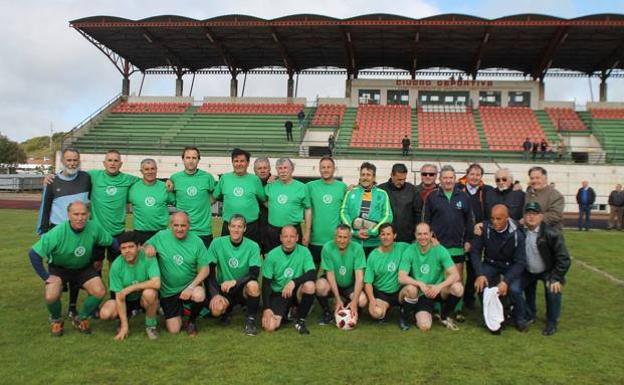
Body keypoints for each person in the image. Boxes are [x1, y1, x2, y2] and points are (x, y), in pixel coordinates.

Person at [28, 201, 112, 336]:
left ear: (88, 214)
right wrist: (47, 277)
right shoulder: (58, 232)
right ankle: (56, 320)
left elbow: (110, 241)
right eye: (76, 214)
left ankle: (81, 317)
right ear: (68, 215)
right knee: (51, 295)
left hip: (83, 268)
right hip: (59, 269)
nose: (80, 218)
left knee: (100, 291)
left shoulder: (94, 227)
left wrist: (126, 250)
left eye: (83, 214)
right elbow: (33, 253)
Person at [37, 148, 91, 318]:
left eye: (75, 160)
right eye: (69, 160)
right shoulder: (52, 181)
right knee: (59, 272)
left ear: (79, 161)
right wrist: (43, 231)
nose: (72, 163)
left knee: (76, 266)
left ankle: (72, 307)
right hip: (58, 233)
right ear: (63, 162)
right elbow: (44, 208)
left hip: (79, 231)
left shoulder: (86, 178)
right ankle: (55, 313)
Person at [143, 212, 210, 336]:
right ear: (170, 225)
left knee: (199, 294)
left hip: (188, 288)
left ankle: (191, 322)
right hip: (168, 291)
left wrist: (191, 287)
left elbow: (205, 269)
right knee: (174, 330)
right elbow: (146, 245)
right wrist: (148, 247)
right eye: (176, 225)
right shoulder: (161, 236)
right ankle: (173, 309)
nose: (179, 229)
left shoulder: (197, 241)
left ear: (189, 226)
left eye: (183, 226)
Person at [423, 165, 473, 320]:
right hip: (438, 245)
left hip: (457, 245)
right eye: (445, 177)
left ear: (455, 179)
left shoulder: (463, 197)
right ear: (440, 179)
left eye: (451, 177)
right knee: (438, 277)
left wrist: (468, 240)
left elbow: (470, 221)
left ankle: (457, 309)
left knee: (456, 277)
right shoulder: (432, 197)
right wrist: (431, 239)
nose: (448, 180)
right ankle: (437, 308)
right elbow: (426, 221)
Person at [470, 204, 528, 333]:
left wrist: (505, 281)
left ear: (507, 218)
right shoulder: (484, 228)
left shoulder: (518, 235)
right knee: (481, 285)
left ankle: (520, 318)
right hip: (491, 263)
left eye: (499, 219)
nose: (495, 222)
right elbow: (475, 251)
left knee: (515, 289)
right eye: (492, 218)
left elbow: (520, 262)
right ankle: (489, 316)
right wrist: (479, 274)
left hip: (511, 265)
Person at [399, 223, 464, 331]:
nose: (423, 237)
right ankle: (406, 314)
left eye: (425, 234)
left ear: (431, 234)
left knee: (458, 288)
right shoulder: (410, 250)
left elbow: (455, 275)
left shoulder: (440, 249)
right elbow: (401, 277)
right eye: (419, 234)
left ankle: (444, 316)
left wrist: (439, 286)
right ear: (415, 235)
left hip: (437, 290)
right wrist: (420, 284)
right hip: (421, 292)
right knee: (425, 326)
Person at [99, 231, 160, 340]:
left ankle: (150, 325)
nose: (127, 251)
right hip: (125, 299)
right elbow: (119, 296)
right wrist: (124, 327)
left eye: (131, 247)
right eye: (123, 248)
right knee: (105, 313)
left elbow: (156, 283)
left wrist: (130, 288)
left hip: (142, 298)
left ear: (139, 247)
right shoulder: (117, 265)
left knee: (150, 293)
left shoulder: (148, 257)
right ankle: (123, 321)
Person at [206, 215, 262, 336]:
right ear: (228, 227)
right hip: (224, 289)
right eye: (233, 226)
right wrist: (215, 295)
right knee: (216, 311)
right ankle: (227, 311)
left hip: (243, 288)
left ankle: (250, 321)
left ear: (245, 229)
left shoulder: (253, 246)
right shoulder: (217, 243)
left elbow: (254, 274)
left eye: (240, 226)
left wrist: (235, 282)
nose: (236, 230)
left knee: (254, 286)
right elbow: (209, 272)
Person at [522, 202, 571, 336]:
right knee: (515, 287)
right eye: (528, 214)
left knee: (553, 290)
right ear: (524, 216)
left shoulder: (552, 233)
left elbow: (564, 259)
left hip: (548, 270)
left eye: (535, 214)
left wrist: (556, 277)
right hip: (528, 270)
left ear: (541, 216)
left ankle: (552, 321)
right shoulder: (521, 232)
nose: (531, 217)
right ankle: (529, 314)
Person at [261, 226, 316, 335]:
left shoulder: (304, 251)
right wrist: (266, 308)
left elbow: (312, 273)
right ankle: (289, 313)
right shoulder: (272, 255)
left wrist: (293, 282)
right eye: (285, 236)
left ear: (297, 238)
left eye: (292, 236)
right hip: (279, 294)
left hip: (296, 292)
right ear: (281, 238)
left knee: (310, 285)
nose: (289, 239)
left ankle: (301, 320)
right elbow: (265, 284)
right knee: (270, 327)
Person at [89, 150, 139, 263]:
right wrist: (52, 176)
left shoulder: (128, 179)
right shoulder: (93, 175)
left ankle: (114, 281)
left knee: (116, 265)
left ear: (120, 164)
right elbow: (73, 176)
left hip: (118, 232)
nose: (112, 163)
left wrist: (168, 181)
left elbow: (148, 181)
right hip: (97, 232)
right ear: (104, 163)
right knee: (96, 265)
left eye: (116, 161)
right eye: (109, 160)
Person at [315, 224, 367, 325]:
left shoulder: (357, 248)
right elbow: (330, 275)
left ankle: (351, 307)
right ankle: (327, 313)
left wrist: (355, 301)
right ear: (335, 236)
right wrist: (337, 298)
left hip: (349, 285)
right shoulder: (327, 248)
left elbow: (360, 277)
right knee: (320, 286)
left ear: (350, 238)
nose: (342, 240)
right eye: (339, 237)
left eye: (345, 237)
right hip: (333, 282)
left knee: (362, 301)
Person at [363, 223, 413, 330]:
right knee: (377, 313)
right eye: (383, 234)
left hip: (398, 292)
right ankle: (385, 308)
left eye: (388, 234)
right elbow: (367, 282)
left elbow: (419, 246)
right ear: (379, 236)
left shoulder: (403, 247)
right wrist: (372, 300)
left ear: (394, 235)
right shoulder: (373, 256)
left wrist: (433, 242)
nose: (385, 237)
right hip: (382, 293)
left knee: (412, 290)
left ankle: (404, 316)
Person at [458, 163, 492, 311]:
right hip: (459, 235)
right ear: (467, 175)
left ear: (481, 177)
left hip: (478, 237)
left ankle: (469, 299)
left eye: (478, 175)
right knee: (455, 270)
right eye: (472, 174)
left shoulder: (487, 191)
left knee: (473, 270)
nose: (474, 177)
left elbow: (491, 213)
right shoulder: (458, 188)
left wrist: (483, 224)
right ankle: (452, 298)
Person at [213, 148, 266, 244]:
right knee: (226, 255)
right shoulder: (224, 178)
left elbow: (264, 199)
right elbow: (214, 197)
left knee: (250, 255)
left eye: (242, 161)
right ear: (232, 162)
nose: (239, 164)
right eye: (236, 161)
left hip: (250, 226)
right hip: (229, 225)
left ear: (248, 163)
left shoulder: (255, 180)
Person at [340, 162, 393, 256]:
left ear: (374, 177)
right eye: (363, 174)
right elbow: (343, 213)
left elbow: (387, 216)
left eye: (368, 175)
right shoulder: (351, 192)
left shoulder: (382, 194)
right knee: (355, 270)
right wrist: (353, 232)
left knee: (374, 270)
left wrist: (372, 232)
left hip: (375, 243)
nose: (365, 177)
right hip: (354, 243)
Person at [169, 146, 216, 248]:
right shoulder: (175, 178)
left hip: (203, 231)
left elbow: (214, 195)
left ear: (198, 160)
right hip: (182, 231)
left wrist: (205, 203)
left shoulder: (207, 177)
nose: (191, 161)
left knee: (208, 263)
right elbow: (172, 198)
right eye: (188, 157)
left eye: (194, 158)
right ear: (183, 159)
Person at [306, 157, 347, 267]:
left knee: (333, 275)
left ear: (334, 169)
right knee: (311, 274)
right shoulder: (310, 186)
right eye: (323, 167)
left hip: (336, 240)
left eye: (329, 167)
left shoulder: (342, 187)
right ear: (319, 169)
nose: (326, 169)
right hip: (315, 239)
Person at [264, 157, 311, 251]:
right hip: (273, 231)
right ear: (276, 170)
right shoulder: (270, 185)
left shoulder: (302, 187)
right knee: (274, 259)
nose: (283, 171)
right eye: (280, 168)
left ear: (292, 169)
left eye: (285, 168)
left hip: (293, 230)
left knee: (294, 260)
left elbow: (308, 209)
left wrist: (307, 232)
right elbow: (264, 201)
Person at [129, 158, 174, 245]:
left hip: (161, 232)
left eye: (153, 168)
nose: (150, 171)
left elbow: (177, 202)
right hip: (140, 233)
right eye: (146, 169)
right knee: (142, 258)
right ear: (141, 171)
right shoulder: (133, 188)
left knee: (161, 258)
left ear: (156, 170)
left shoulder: (165, 187)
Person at [379, 163, 421, 244]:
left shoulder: (413, 190)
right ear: (391, 175)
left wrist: (417, 235)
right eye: (399, 179)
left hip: (408, 239)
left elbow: (418, 214)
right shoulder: (381, 190)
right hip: (386, 238)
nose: (402, 182)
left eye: (404, 179)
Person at [254, 157, 273, 254]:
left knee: (271, 260)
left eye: (265, 168)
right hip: (253, 229)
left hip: (271, 230)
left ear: (269, 169)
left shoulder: (277, 184)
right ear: (254, 170)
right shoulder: (250, 183)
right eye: (259, 168)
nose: (262, 170)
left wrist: (269, 185)